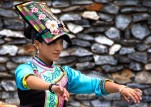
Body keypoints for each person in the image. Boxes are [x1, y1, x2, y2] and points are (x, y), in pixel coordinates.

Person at [14, 1, 142, 107]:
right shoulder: (26, 69)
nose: (58, 48)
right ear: (37, 44)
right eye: (52, 43)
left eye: (61, 43)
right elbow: (28, 80)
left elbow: (95, 84)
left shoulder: (65, 74)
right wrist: (52, 87)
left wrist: (120, 88)